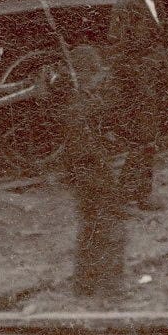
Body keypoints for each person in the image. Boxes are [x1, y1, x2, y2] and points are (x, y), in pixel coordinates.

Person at [51, 44, 125, 300]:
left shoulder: (78, 104)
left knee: (90, 229)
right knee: (108, 229)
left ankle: (86, 284)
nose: (100, 80)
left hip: (86, 173)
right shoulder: (79, 110)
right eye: (95, 76)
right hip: (92, 174)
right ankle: (108, 287)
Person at [106, 0, 168, 211]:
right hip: (139, 84)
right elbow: (119, 49)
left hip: (156, 80)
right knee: (144, 139)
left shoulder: (154, 1)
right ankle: (132, 194)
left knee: (148, 140)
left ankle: (134, 194)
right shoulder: (125, 5)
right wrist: (137, 83)